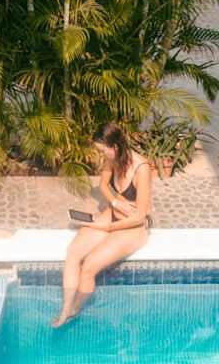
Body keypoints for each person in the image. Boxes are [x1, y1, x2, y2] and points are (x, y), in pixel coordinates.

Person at [51, 123, 153, 327]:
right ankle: (65, 308)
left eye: (102, 150)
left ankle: (74, 310)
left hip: (134, 227)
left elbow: (140, 217)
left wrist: (107, 228)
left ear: (114, 147)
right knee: (73, 252)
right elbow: (103, 185)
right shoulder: (112, 158)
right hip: (114, 214)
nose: (101, 155)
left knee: (89, 266)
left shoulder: (141, 169)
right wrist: (115, 202)